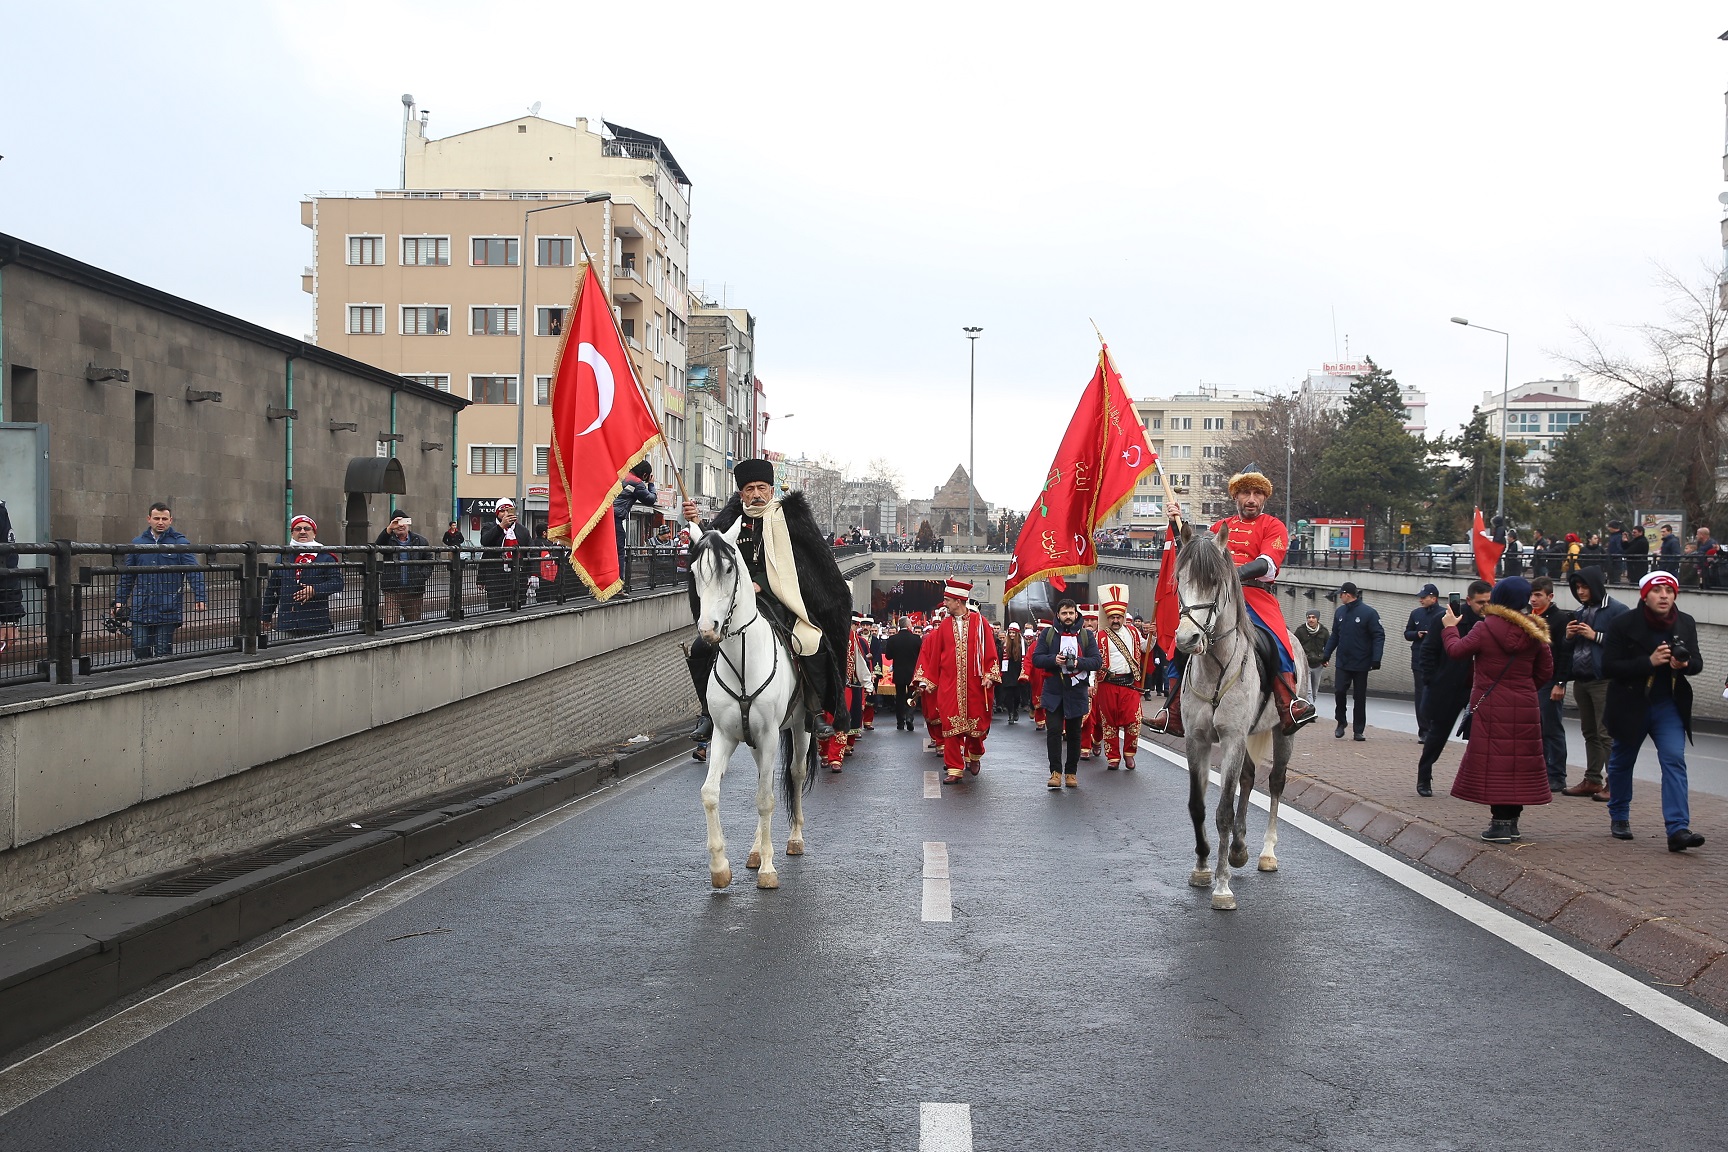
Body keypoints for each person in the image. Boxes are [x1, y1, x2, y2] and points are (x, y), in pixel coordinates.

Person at [681, 458, 852, 745]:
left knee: (810, 642)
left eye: (762, 487)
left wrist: (765, 583)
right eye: (750, 489)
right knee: (700, 648)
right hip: (736, 607)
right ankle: (707, 715)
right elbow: (710, 555)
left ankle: (815, 709)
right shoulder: (729, 522)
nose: (756, 494)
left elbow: (806, 565)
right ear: (741, 493)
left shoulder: (791, 520)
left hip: (781, 603)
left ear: (771, 490)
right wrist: (696, 523)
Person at [1151, 472, 1318, 737]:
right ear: (1235, 497)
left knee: (1276, 640)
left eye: (1257, 494)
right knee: (1180, 644)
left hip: (1255, 595)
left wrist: (1233, 575)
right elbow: (1194, 549)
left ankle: (1288, 704)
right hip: (1219, 595)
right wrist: (1176, 522)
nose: (1251, 500)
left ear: (1264, 498)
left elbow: (1267, 563)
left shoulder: (1273, 526)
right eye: (1245, 493)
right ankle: (1172, 710)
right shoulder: (1219, 527)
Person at [1439, 576, 1554, 843]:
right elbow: (1545, 671)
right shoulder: (1535, 630)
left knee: (1497, 763)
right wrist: (1523, 689)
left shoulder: (1485, 628)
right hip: (1525, 706)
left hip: (1490, 706)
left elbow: (1456, 651)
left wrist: (1449, 628)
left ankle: (1499, 824)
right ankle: (1512, 822)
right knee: (1519, 763)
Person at [1601, 571, 1706, 850]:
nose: (1664, 596)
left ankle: (1678, 829)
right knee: (1622, 762)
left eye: (1669, 591)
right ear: (1644, 595)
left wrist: (1684, 665)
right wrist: (1648, 661)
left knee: (1674, 759)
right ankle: (1620, 815)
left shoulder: (1685, 622)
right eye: (1658, 591)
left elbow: (1696, 661)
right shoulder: (1623, 623)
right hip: (1631, 703)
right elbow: (1608, 666)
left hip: (1668, 704)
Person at [912, 578, 1001, 785]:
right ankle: (954, 768)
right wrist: (927, 680)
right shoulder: (944, 626)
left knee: (976, 728)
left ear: (958, 601)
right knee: (950, 727)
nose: (944, 604)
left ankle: (974, 754)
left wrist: (990, 674)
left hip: (976, 685)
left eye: (947, 600)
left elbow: (990, 651)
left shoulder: (981, 624)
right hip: (949, 686)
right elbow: (935, 656)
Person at [1416, 580, 1492, 797]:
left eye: (1488, 601)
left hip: (1479, 689)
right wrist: (1432, 679)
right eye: (1480, 602)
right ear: (1469, 601)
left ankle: (1477, 781)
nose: (1485, 606)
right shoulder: (1448, 620)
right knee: (1438, 735)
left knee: (1482, 737)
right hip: (1449, 687)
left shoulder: (1492, 622)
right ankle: (1425, 774)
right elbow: (1428, 651)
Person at [1558, 566, 1628, 800]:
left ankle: (1615, 782)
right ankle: (1592, 779)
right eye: (1577, 587)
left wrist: (1595, 635)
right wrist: (1569, 636)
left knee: (1605, 732)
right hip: (1582, 679)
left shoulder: (1617, 610)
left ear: (1596, 585)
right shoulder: (1580, 611)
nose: (1580, 591)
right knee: (1589, 732)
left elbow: (1626, 644)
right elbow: (1568, 649)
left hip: (1604, 680)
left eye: (1585, 586)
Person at [112, 501, 207, 660]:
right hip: (142, 606)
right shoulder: (137, 543)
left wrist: (200, 597)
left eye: (164, 519)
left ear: (171, 520)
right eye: (157, 518)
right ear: (148, 519)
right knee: (139, 646)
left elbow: (194, 571)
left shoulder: (180, 543)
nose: (160, 522)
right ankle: (146, 678)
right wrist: (119, 601)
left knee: (163, 651)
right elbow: (127, 576)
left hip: (167, 607)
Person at [1031, 598, 1102, 789]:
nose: (1068, 617)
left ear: (1076, 614)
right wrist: (1054, 659)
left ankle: (1071, 772)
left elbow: (1097, 661)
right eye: (1064, 613)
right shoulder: (1048, 634)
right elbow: (1036, 659)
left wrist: (1078, 662)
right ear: (1058, 615)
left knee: (1074, 733)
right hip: (1054, 690)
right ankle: (1055, 772)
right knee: (1053, 731)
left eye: (1071, 613)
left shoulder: (1086, 635)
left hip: (1076, 690)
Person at [1320, 581, 1384, 741]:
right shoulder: (1340, 612)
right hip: (1343, 661)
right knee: (1340, 691)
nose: (1339, 597)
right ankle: (1341, 721)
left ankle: (1358, 730)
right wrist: (1326, 654)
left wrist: (1376, 658)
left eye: (1340, 594)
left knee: (1359, 697)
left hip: (1361, 662)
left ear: (1347, 594)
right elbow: (1335, 635)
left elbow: (1378, 635)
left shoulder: (1369, 613)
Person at [262, 515, 343, 638]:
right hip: (287, 623)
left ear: (314, 533)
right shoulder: (283, 556)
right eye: (298, 529)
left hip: (315, 624)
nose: (302, 532)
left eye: (307, 528)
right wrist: (265, 616)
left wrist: (314, 590)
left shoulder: (326, 556)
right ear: (292, 533)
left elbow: (337, 583)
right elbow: (273, 589)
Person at [1093, 585, 1147, 770]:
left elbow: (1145, 648)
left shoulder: (1133, 632)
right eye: (1112, 617)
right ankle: (1113, 757)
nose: (1115, 620)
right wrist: (1091, 683)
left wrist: (1153, 635)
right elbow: (1093, 661)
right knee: (1109, 722)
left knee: (1134, 719)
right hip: (1108, 683)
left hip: (1129, 684)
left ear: (1124, 617)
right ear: (1107, 618)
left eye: (1118, 617)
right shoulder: (1099, 636)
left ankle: (1129, 754)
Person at [1527, 576, 1572, 792]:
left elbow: (1564, 653)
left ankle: (1557, 774)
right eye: (1532, 595)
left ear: (1550, 596)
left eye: (1538, 595)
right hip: (1532, 679)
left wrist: (1560, 682)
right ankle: (1539, 771)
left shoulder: (1559, 619)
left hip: (1550, 680)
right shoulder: (1528, 617)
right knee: (1536, 727)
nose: (1533, 599)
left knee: (1552, 728)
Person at [375, 512, 432, 624]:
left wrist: (421, 576)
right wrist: (389, 528)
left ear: (408, 524)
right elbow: (378, 546)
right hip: (392, 590)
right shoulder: (388, 540)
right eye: (397, 523)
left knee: (413, 624)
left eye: (403, 522)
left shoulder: (420, 541)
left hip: (414, 590)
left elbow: (429, 561)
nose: (400, 526)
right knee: (390, 625)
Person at [1404, 583, 1444, 743]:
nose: (1421, 600)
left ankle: (1437, 728)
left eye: (1424, 597)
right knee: (1421, 695)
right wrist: (1417, 634)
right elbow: (1407, 633)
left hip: (1438, 660)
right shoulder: (1416, 614)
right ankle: (1423, 730)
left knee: (1438, 694)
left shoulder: (1444, 614)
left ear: (1433, 598)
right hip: (1419, 659)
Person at [478, 498, 529, 610]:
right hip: (495, 577)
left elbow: (529, 553)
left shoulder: (522, 530)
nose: (505, 514)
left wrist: (532, 575)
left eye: (508, 511)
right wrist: (501, 527)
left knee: (517, 609)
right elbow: (485, 543)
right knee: (496, 610)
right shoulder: (489, 527)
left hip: (517, 577)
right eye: (502, 511)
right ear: (497, 513)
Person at [884, 616, 923, 731]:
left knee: (900, 698)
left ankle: (900, 722)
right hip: (912, 673)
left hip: (899, 672)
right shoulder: (916, 639)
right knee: (912, 696)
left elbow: (888, 656)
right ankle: (909, 717)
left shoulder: (892, 639)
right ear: (908, 625)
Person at [614, 460, 657, 556]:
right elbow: (650, 499)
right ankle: (619, 571)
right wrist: (651, 484)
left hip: (605, 515)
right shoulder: (636, 482)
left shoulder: (620, 475)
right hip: (616, 518)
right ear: (645, 475)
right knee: (618, 551)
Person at [1021, 617, 1052, 730]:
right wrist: (1025, 674)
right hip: (1037, 676)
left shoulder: (1055, 644)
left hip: (1051, 675)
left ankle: (1054, 723)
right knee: (1038, 698)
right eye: (1039, 631)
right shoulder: (1034, 645)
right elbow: (1028, 660)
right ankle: (1040, 720)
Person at [1296, 610, 1328, 704]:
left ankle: (1311, 706)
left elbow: (1328, 646)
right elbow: (1294, 644)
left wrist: (1326, 658)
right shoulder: (1300, 630)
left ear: (1317, 619)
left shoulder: (1324, 632)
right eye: (1309, 617)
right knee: (1308, 691)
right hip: (1305, 663)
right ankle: (1311, 709)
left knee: (1314, 691)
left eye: (1313, 617)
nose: (1311, 619)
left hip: (1318, 664)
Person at [1000, 621, 1025, 723]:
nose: (1011, 635)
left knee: (1016, 696)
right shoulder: (1004, 645)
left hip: (1017, 672)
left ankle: (1015, 710)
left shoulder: (1021, 645)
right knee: (1008, 695)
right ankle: (1010, 713)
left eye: (1013, 633)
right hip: (1007, 672)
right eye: (1010, 633)